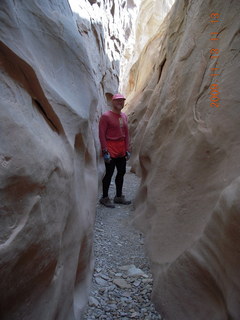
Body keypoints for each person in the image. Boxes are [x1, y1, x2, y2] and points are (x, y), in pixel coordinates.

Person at [99, 93, 131, 208]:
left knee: (121, 173)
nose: (120, 102)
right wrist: (104, 150)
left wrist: (127, 149)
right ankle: (105, 197)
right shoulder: (106, 117)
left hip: (121, 149)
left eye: (122, 101)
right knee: (109, 174)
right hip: (111, 148)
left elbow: (127, 134)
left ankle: (118, 196)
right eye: (118, 101)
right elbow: (102, 134)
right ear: (113, 102)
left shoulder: (124, 116)